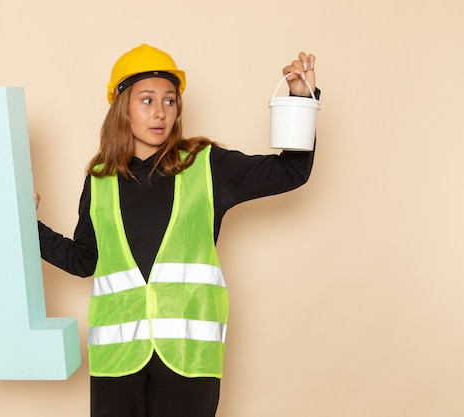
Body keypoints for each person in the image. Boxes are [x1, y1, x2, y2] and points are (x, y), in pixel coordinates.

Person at [35, 43, 319, 417]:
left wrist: (302, 102)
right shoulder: (100, 180)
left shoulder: (205, 165)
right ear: (123, 107)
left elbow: (290, 172)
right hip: (117, 359)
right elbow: (85, 260)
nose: (160, 113)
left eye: (170, 101)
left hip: (188, 357)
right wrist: (27, 228)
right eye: (147, 100)